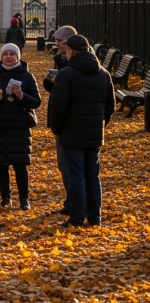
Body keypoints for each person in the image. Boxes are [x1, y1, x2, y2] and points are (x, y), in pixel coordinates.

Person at [48, 35, 115, 228]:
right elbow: (110, 106)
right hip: (94, 134)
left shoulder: (66, 74)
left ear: (70, 51)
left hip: (72, 134)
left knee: (76, 175)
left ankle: (76, 219)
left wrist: (57, 130)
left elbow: (58, 108)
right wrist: (100, 125)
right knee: (92, 176)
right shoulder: (103, 73)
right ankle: (95, 218)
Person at [0, 44, 41, 210]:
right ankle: (5, 198)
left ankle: (24, 199)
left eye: (12, 54)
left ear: (18, 57)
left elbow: (36, 101)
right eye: (5, 54)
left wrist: (21, 95)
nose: (8, 57)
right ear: (1, 57)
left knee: (20, 164)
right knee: (1, 164)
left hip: (19, 125)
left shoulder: (27, 76)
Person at [42, 25, 77, 216]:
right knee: (63, 164)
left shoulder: (74, 63)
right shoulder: (60, 61)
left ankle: (76, 203)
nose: (55, 45)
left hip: (70, 120)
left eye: (58, 41)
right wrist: (49, 82)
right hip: (60, 118)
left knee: (71, 165)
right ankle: (71, 200)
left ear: (69, 42)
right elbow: (57, 91)